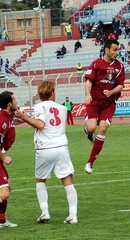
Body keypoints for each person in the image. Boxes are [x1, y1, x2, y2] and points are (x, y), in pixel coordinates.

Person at [15, 81, 78, 224]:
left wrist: (23, 117)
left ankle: (45, 213)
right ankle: (72, 215)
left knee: (40, 180)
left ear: (39, 94)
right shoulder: (62, 108)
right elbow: (43, 123)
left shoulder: (39, 107)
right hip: (61, 146)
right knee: (67, 181)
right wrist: (22, 119)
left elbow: (41, 125)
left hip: (45, 148)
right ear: (53, 92)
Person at [84, 39, 125, 174]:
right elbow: (89, 81)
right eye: (115, 50)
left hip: (108, 103)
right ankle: (89, 133)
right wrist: (87, 94)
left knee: (102, 128)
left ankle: (90, 162)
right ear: (106, 50)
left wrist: (111, 92)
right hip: (94, 102)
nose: (117, 52)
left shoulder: (119, 67)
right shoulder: (96, 64)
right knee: (91, 128)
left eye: (118, 50)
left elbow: (120, 86)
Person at [0, 91, 19, 228]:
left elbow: (16, 119)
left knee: (6, 188)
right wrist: (4, 157)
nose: (16, 102)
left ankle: (1, 221)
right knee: (4, 192)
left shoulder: (9, 115)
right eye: (14, 99)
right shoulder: (1, 120)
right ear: (9, 103)